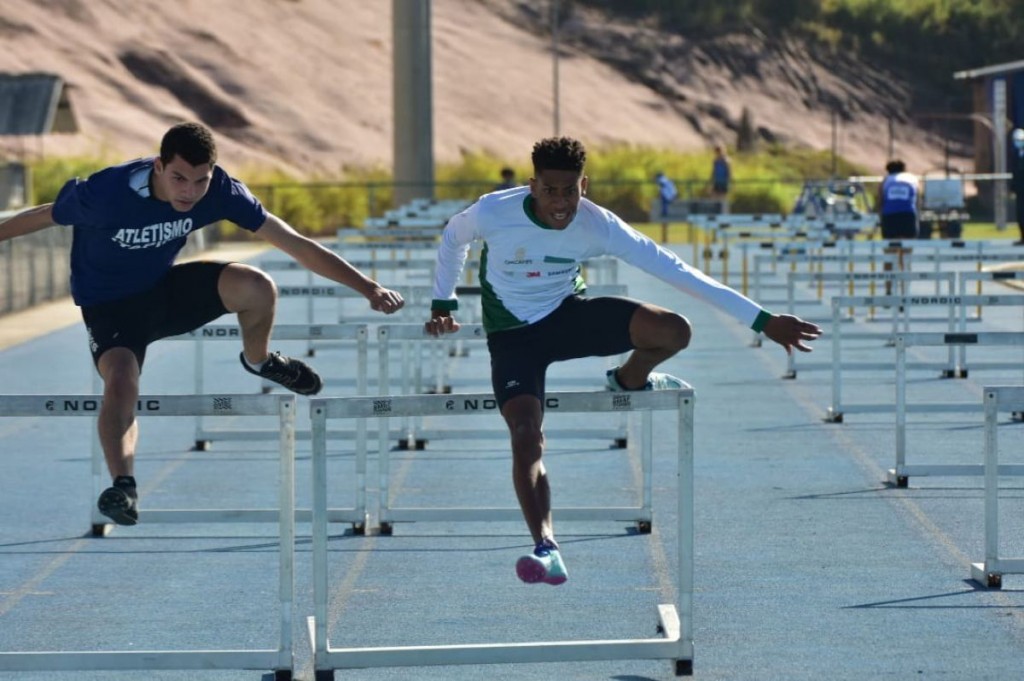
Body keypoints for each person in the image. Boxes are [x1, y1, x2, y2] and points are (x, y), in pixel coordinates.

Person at [424, 136, 821, 585]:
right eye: (550, 190)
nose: (561, 204)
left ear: (584, 186)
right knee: (525, 436)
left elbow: (676, 269)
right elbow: (453, 238)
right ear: (533, 186)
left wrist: (760, 320)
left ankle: (629, 380)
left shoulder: (598, 225)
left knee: (675, 330)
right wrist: (444, 302)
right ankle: (546, 546)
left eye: (570, 191)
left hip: (567, 317)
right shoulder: (493, 212)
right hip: (513, 338)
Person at [0, 122, 405, 526]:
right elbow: (41, 216)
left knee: (256, 286)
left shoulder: (222, 191)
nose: (189, 192)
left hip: (164, 289)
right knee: (121, 379)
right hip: (110, 306)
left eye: (199, 181)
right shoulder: (107, 193)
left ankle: (260, 360)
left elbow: (295, 242)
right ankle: (123, 486)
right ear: (158, 166)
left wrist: (368, 287)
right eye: (179, 178)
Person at [877, 159, 919, 294]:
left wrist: (880, 220)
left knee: (889, 255)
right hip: (908, 216)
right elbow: (918, 201)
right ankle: (904, 291)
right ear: (904, 169)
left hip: (890, 217)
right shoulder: (912, 179)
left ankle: (888, 289)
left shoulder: (886, 180)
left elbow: (880, 201)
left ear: (888, 170)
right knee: (905, 257)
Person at [1010, 129, 1024, 245]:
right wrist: (1013, 188)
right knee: (1020, 214)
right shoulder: (1016, 155)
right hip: (1020, 191)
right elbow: (1015, 173)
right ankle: (1022, 237)